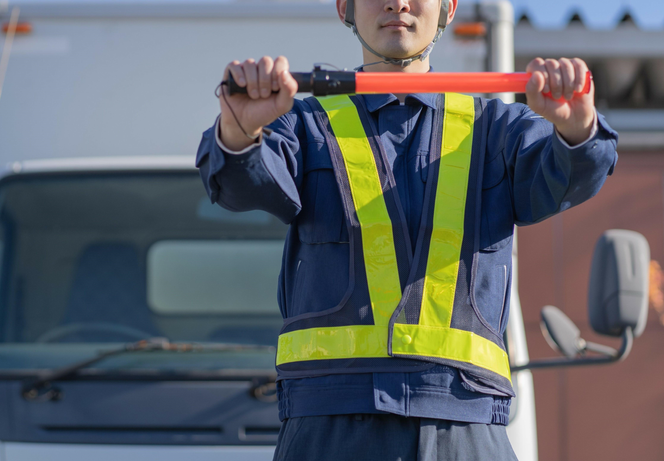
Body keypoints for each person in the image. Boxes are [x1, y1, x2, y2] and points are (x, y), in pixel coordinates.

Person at [195, 0, 618, 459]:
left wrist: (578, 129)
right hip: (329, 424)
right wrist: (237, 132)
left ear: (448, 8)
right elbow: (236, 183)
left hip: (464, 425)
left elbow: (572, 173)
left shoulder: (498, 130)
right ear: (345, 7)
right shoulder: (302, 126)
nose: (398, 2)